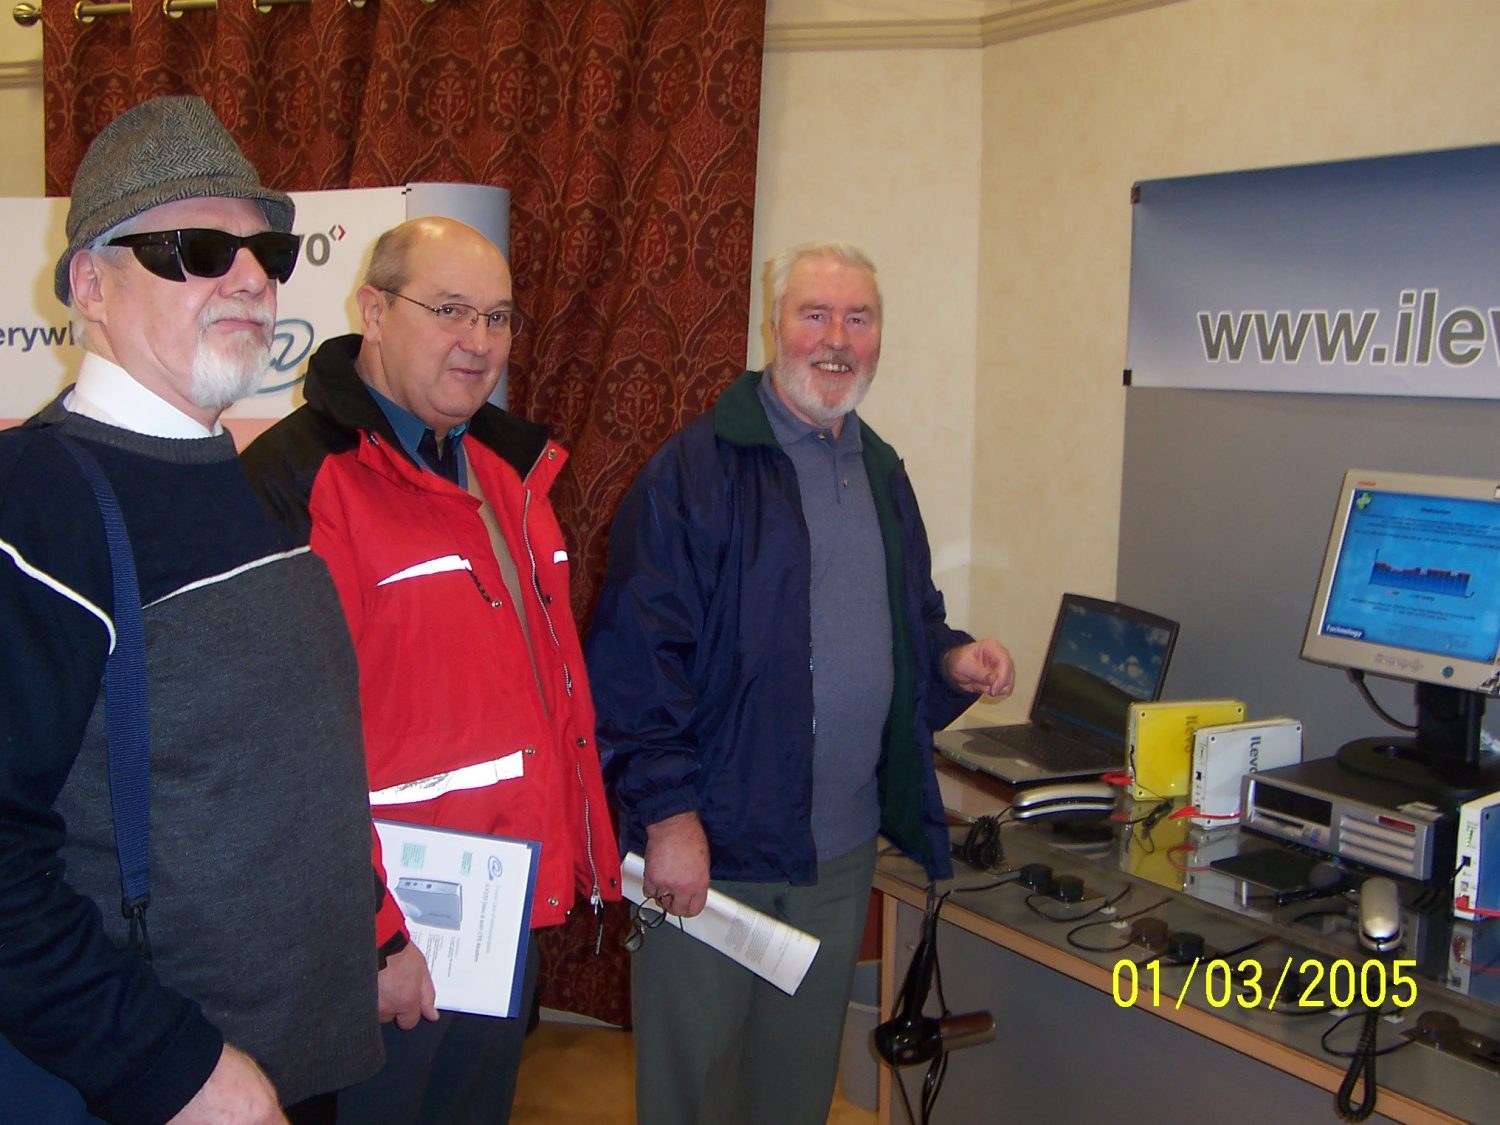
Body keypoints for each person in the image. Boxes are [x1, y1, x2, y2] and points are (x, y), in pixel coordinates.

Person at [0, 96, 383, 1124]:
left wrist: (369, 945)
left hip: (294, 1067)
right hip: (166, 1087)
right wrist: (170, 1066)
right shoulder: (36, 504)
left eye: (267, 251)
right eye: (201, 247)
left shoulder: (238, 480)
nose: (250, 277)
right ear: (90, 282)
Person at [586, 241, 1016, 1125]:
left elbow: (909, 621)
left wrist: (949, 660)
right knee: (694, 1096)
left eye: (858, 318)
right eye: (814, 314)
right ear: (772, 326)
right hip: (717, 853)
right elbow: (635, 664)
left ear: (879, 337)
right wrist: (668, 822)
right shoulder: (693, 470)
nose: (836, 339)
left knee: (791, 1097)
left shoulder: (884, 473)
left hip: (836, 854)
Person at [241, 215, 623, 1125]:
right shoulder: (296, 479)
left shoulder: (506, 472)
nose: (479, 342)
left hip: (497, 918)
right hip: (377, 941)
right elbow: (279, 747)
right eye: (450, 310)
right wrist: (371, 940)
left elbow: (544, 699)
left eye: (498, 317)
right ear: (373, 309)